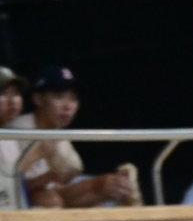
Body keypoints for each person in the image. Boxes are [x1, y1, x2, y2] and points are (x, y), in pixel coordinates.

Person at [13, 67, 143, 208]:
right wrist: (95, 186)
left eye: (73, 99)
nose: (68, 106)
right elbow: (14, 186)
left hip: (54, 194)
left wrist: (103, 186)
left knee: (121, 188)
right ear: (38, 99)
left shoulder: (58, 132)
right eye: (59, 97)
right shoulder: (20, 129)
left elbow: (60, 184)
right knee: (53, 198)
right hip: (23, 201)